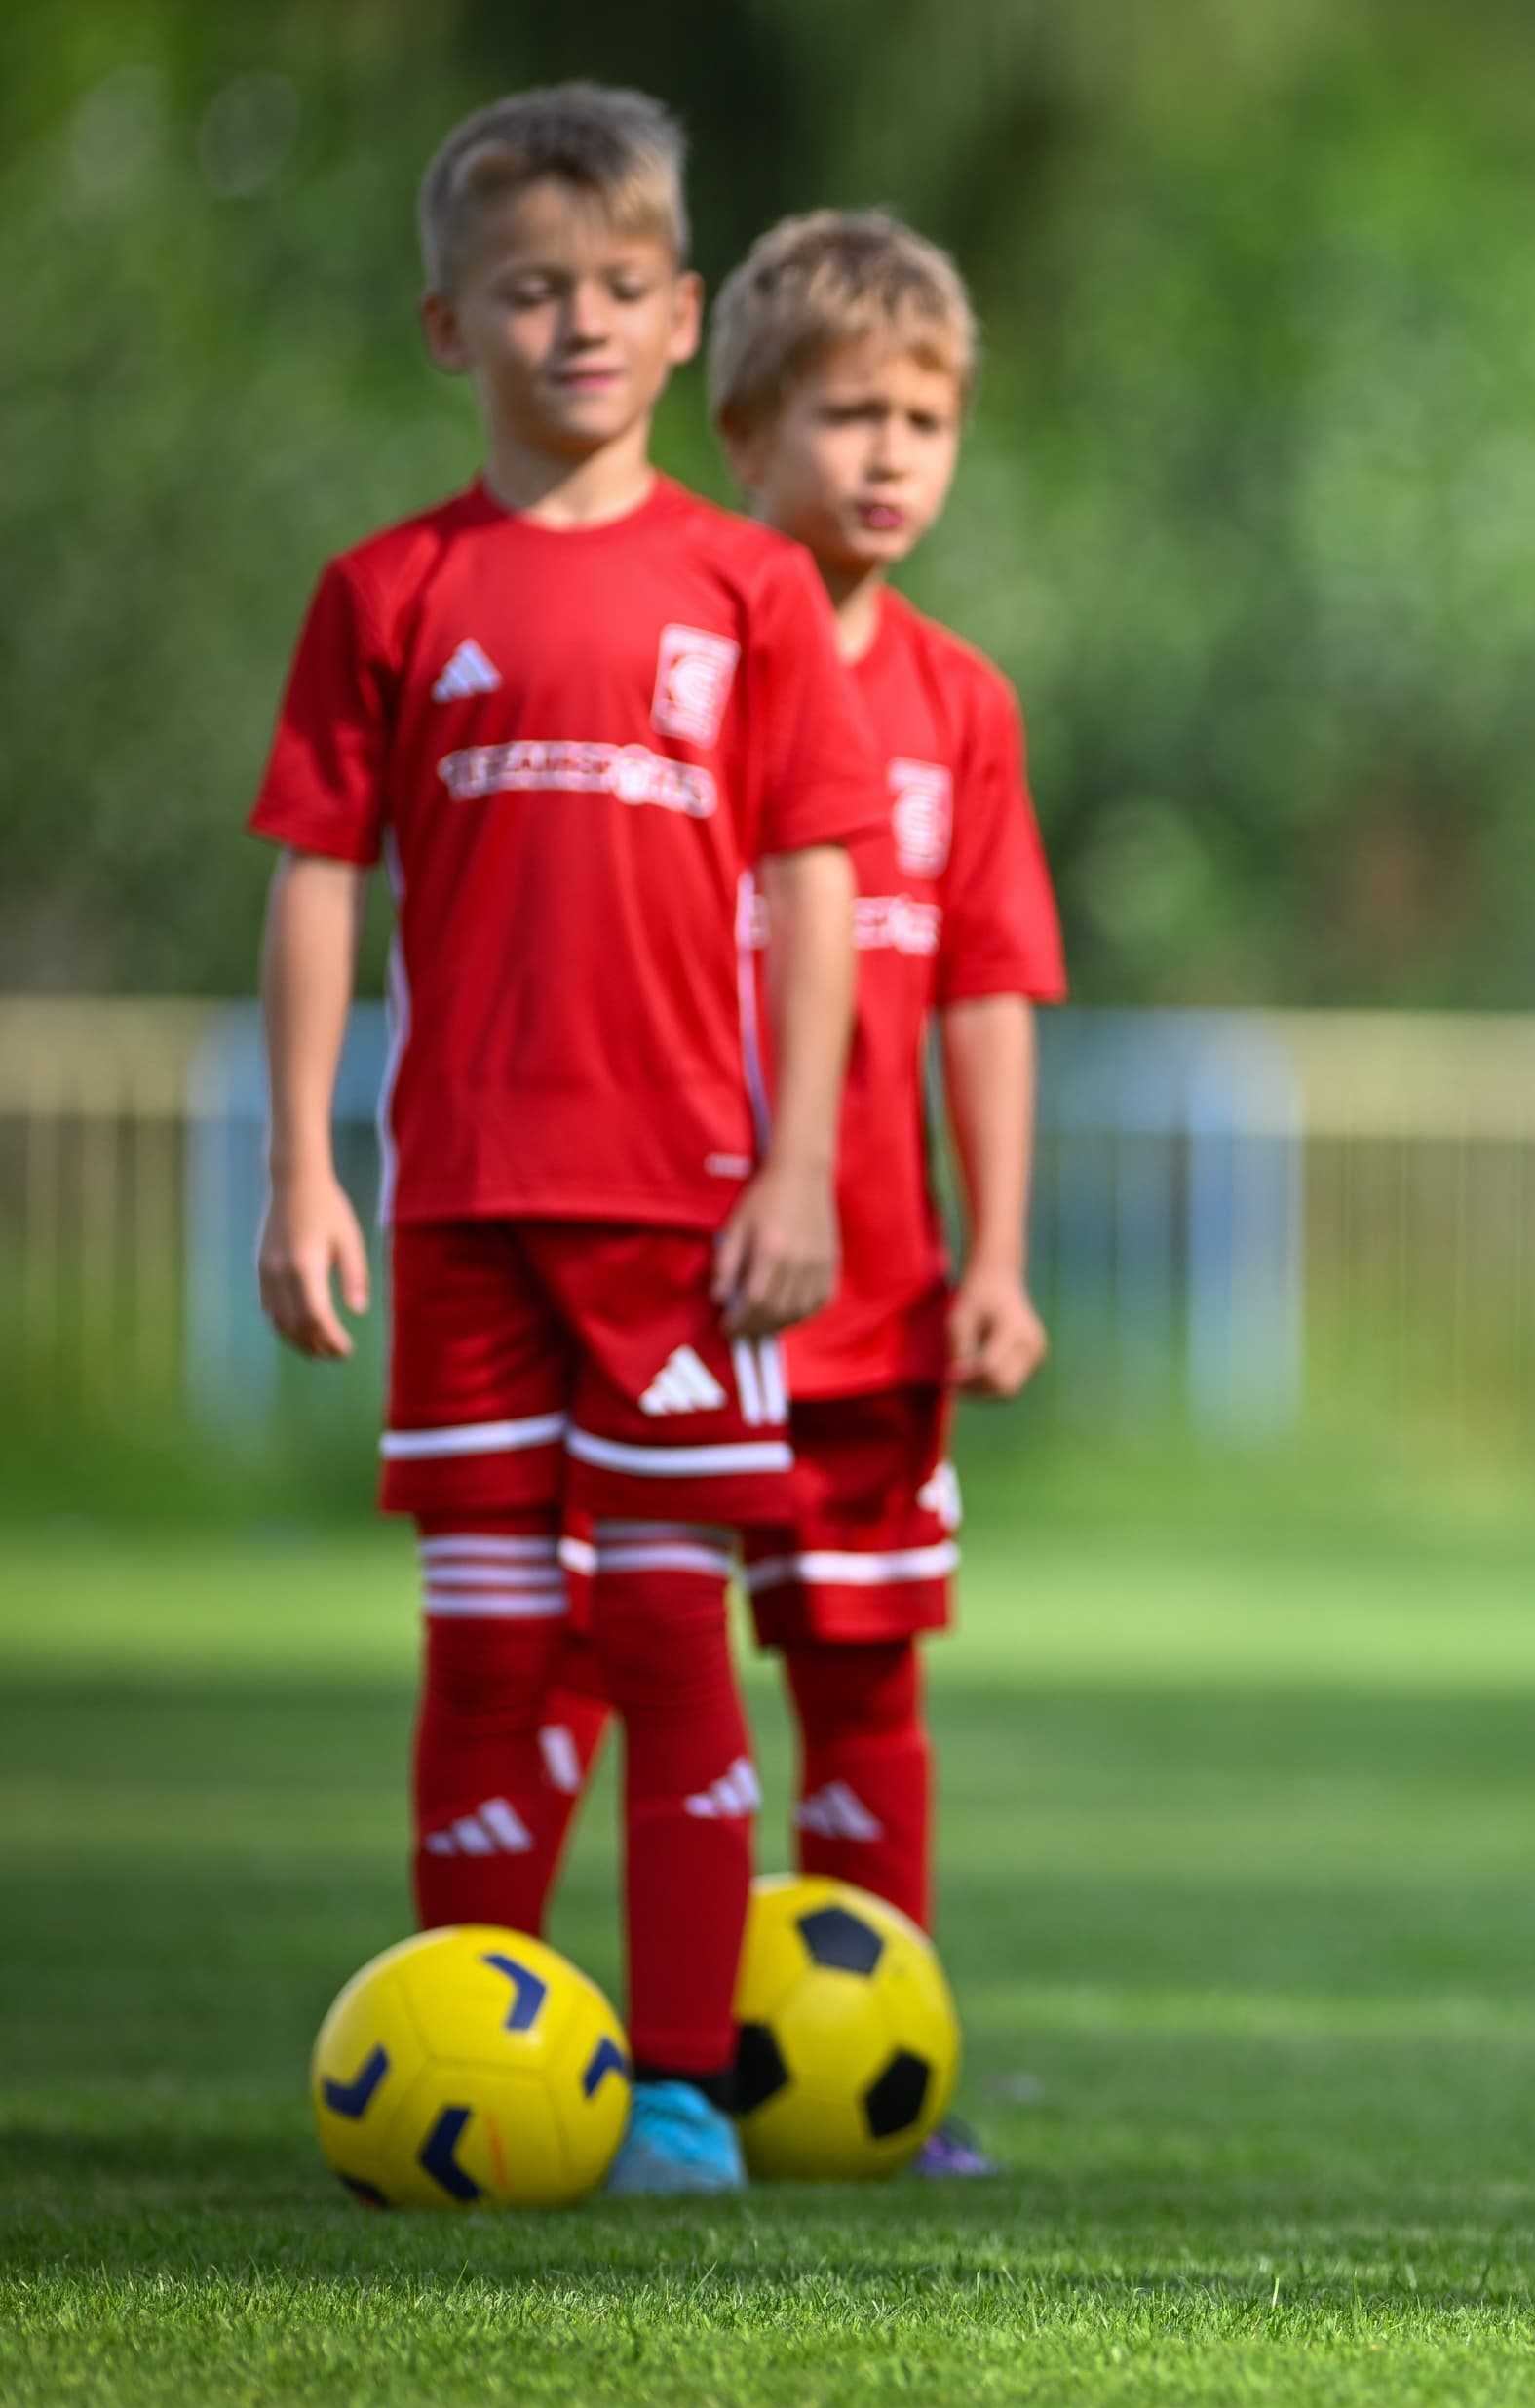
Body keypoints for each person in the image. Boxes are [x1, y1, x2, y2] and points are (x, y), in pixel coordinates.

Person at [249, 85, 881, 2195]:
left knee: (672, 1632)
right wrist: (302, 1167)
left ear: (686, 315)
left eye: (619, 285)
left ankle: (683, 2083)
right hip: (459, 1208)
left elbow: (811, 880)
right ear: (451, 326)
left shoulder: (749, 586)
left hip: (686, 1216)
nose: (580, 323)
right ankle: (481, 2054)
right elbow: (318, 878)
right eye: (531, 289)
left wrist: (799, 1162)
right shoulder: (386, 590)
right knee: (489, 1642)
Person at [521, 211, 1067, 2179]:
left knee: (861, 1678)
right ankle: (526, 2041)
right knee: (587, 1657)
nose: (892, 452)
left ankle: (868, 2067)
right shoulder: (655, 660)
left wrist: (998, 1253)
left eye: (927, 416)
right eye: (849, 413)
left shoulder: (962, 706)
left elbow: (991, 988)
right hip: (656, 1282)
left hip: (873, 1292)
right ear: (740, 427)